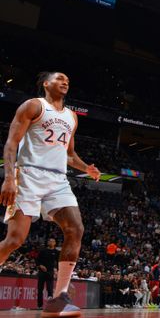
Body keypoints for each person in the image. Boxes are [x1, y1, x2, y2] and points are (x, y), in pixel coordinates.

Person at [0, 71, 101, 317]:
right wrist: (9, 177)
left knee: (75, 228)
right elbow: (12, 143)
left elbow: (69, 155)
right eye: (60, 78)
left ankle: (58, 298)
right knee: (15, 240)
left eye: (68, 79)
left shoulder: (71, 117)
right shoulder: (34, 106)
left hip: (57, 180)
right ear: (46, 84)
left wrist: (85, 167)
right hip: (28, 175)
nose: (65, 81)